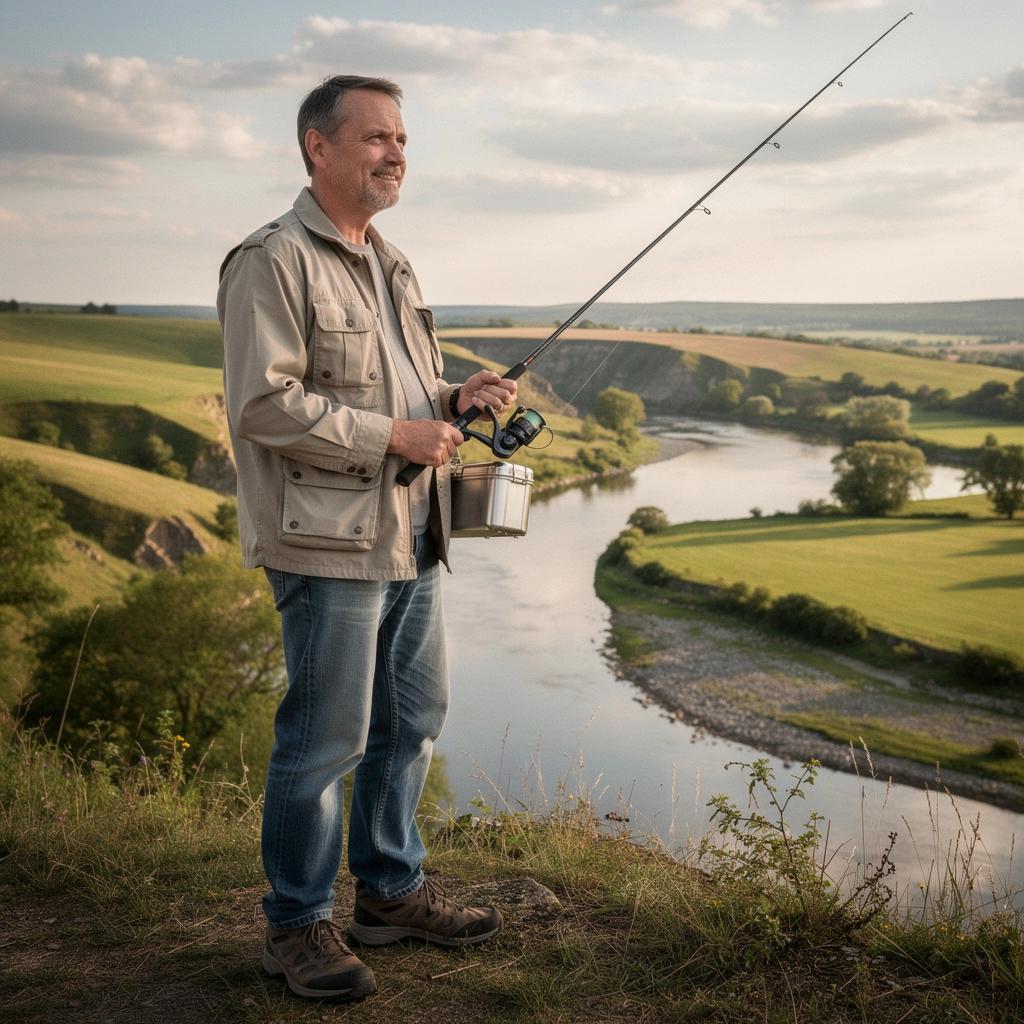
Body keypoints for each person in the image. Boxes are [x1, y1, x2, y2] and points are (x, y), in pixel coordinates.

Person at [217, 74, 517, 1003]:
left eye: (403, 141)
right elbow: (265, 405)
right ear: (319, 145)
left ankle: (389, 895)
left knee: (411, 725)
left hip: (415, 535)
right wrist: (395, 435)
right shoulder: (271, 260)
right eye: (378, 138)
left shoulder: (394, 264)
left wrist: (452, 402)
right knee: (324, 742)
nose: (396, 155)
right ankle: (297, 924)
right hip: (326, 544)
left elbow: (398, 393)